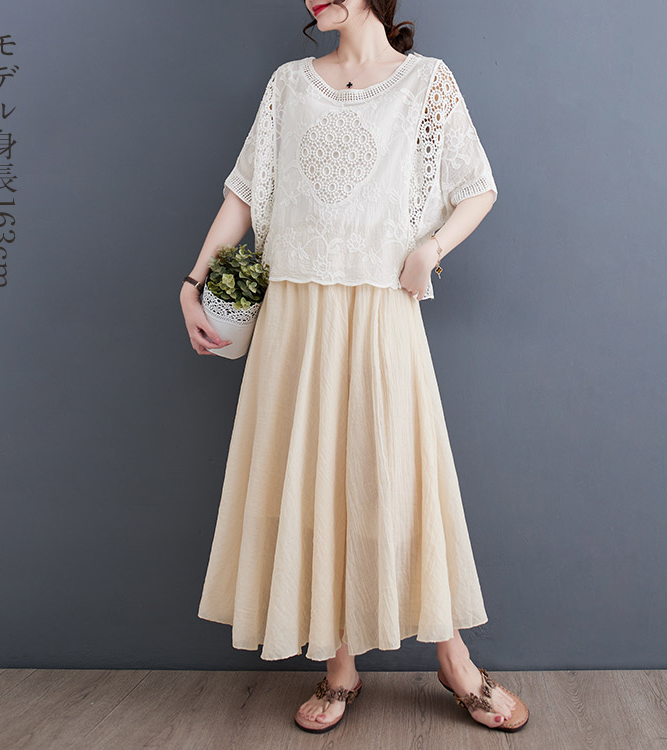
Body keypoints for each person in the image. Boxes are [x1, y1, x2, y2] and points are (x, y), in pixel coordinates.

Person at [179, 0, 528, 735]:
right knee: (312, 480)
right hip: (295, 313)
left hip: (379, 308)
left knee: (396, 475)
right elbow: (244, 192)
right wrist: (194, 281)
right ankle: (340, 665)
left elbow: (478, 187)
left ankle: (453, 657)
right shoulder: (288, 84)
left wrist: (431, 250)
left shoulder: (427, 82)